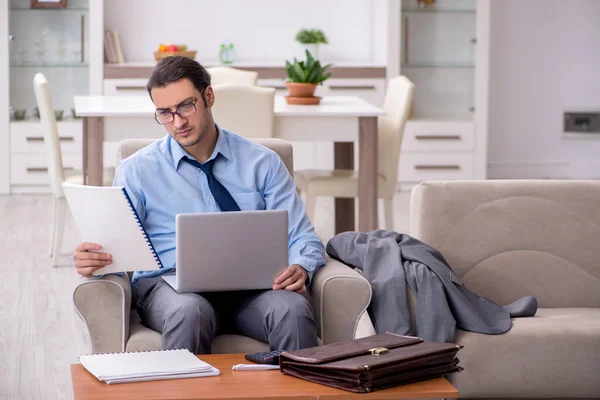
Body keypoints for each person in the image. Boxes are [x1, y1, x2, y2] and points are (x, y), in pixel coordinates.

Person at [71, 56, 326, 354]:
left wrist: (301, 265)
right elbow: (116, 249)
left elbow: (303, 236)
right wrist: (95, 262)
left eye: (185, 107)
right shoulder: (137, 170)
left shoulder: (263, 163)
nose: (178, 122)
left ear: (209, 96)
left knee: (292, 310)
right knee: (189, 311)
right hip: (171, 289)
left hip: (254, 291)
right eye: (165, 113)